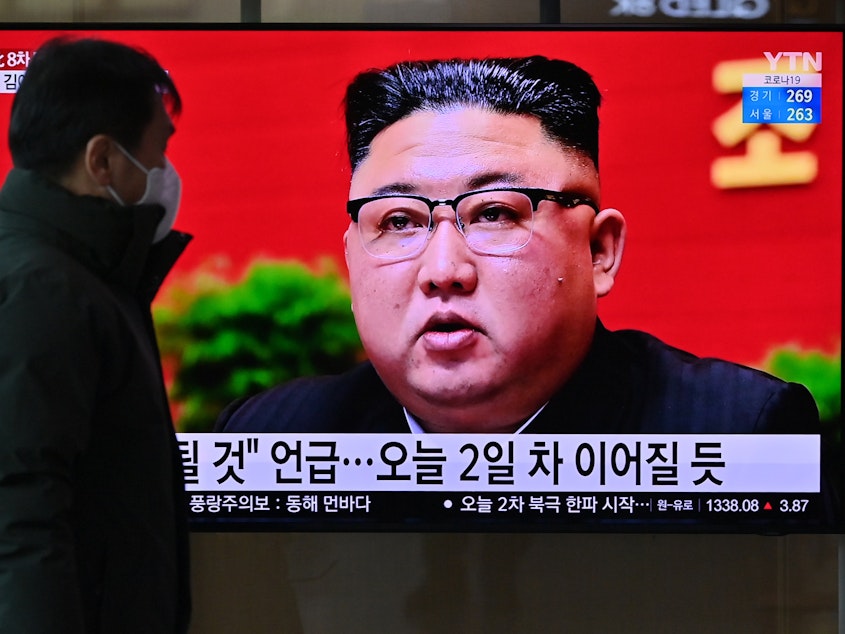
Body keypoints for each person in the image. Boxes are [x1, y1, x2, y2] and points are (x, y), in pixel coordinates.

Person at [216, 56, 820, 437]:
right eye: (399, 221)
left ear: (600, 251)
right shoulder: (270, 436)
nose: (443, 270)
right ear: (351, 255)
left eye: (496, 213)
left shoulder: (738, 432)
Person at [0, 38, 191, 632]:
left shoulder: (82, 276)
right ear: (102, 161)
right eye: (158, 149)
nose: (166, 173)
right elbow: (21, 514)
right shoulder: (45, 289)